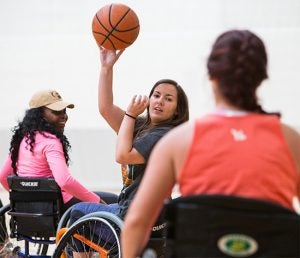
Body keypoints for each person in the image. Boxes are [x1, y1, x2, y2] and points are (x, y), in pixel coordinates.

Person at [121, 29, 300, 257]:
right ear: (261, 78)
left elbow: (136, 222)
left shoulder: (178, 141)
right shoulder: (291, 141)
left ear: (211, 77)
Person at [68, 47, 189, 237]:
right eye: (156, 95)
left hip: (136, 216)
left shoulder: (163, 135)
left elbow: (123, 155)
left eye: (168, 99)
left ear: (176, 110)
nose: (159, 101)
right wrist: (106, 68)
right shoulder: (144, 127)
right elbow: (106, 108)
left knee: (76, 213)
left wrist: (130, 114)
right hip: (138, 209)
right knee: (100, 197)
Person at [0, 89, 118, 212]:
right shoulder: (51, 141)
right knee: (114, 200)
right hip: (57, 205)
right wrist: (97, 201)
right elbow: (65, 181)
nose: (63, 116)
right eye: (56, 112)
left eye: (64, 111)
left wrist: (23, 200)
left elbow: (3, 176)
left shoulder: (22, 139)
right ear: (39, 114)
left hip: (31, 208)